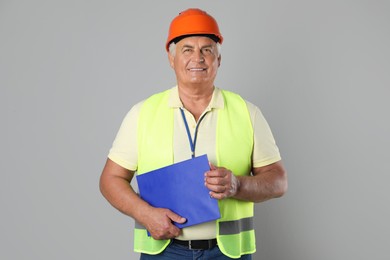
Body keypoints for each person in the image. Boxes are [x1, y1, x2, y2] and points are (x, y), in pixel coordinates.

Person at [100, 8, 287, 260]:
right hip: (163, 252)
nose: (197, 58)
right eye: (187, 49)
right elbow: (110, 179)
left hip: (227, 254)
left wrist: (238, 184)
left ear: (218, 60)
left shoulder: (247, 113)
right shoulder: (142, 113)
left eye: (206, 50)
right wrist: (145, 215)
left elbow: (278, 181)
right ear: (172, 58)